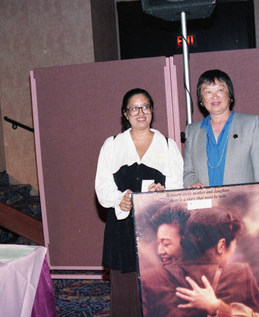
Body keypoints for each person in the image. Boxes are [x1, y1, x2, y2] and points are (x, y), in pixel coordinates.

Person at [95, 88, 183, 316]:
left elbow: (177, 187)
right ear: (125, 114)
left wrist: (162, 193)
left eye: (145, 107)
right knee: (125, 294)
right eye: (134, 108)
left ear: (152, 110)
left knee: (159, 292)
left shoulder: (167, 145)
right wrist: (120, 200)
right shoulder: (113, 145)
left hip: (157, 230)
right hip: (122, 228)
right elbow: (102, 188)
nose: (140, 112)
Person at [183, 69, 259, 227]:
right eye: (208, 92)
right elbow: (188, 172)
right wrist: (193, 182)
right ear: (201, 100)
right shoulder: (192, 131)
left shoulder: (251, 124)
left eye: (220, 90)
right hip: (205, 219)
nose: (215, 96)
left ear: (230, 95)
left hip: (244, 217)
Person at [141, 206, 259, 317]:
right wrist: (217, 307)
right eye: (160, 243)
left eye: (167, 243)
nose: (160, 251)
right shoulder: (240, 274)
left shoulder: (150, 278)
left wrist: (216, 307)